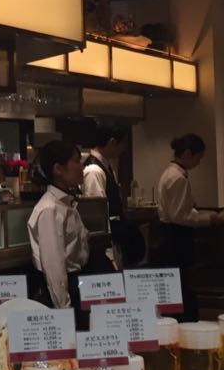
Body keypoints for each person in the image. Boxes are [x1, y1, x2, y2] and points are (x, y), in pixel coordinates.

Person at [153, 133, 224, 321]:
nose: (199, 162)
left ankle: (180, 319)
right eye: (199, 157)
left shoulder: (171, 173)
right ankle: (184, 320)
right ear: (188, 153)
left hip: (169, 235)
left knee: (178, 283)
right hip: (176, 237)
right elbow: (180, 216)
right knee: (181, 283)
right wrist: (211, 219)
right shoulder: (177, 178)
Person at [27, 140, 102, 311]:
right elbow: (54, 267)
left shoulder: (65, 203)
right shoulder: (50, 209)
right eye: (76, 161)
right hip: (65, 289)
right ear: (58, 169)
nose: (81, 166)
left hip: (77, 281)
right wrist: (64, 310)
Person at [82, 120, 144, 269]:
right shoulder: (94, 171)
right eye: (123, 144)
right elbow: (98, 218)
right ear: (112, 142)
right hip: (105, 246)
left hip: (115, 239)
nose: (124, 149)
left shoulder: (106, 167)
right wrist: (109, 255)